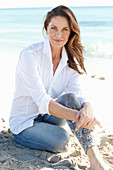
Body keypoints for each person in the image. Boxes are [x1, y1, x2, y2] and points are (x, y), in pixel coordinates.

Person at [9, 5, 112, 170]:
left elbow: (77, 94)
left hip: (50, 118)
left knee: (71, 99)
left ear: (71, 31)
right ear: (46, 28)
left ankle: (96, 161)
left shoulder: (71, 61)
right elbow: (43, 101)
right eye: (54, 28)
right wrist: (81, 118)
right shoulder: (29, 56)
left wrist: (88, 109)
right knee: (62, 140)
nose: (58, 34)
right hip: (25, 123)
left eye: (65, 29)